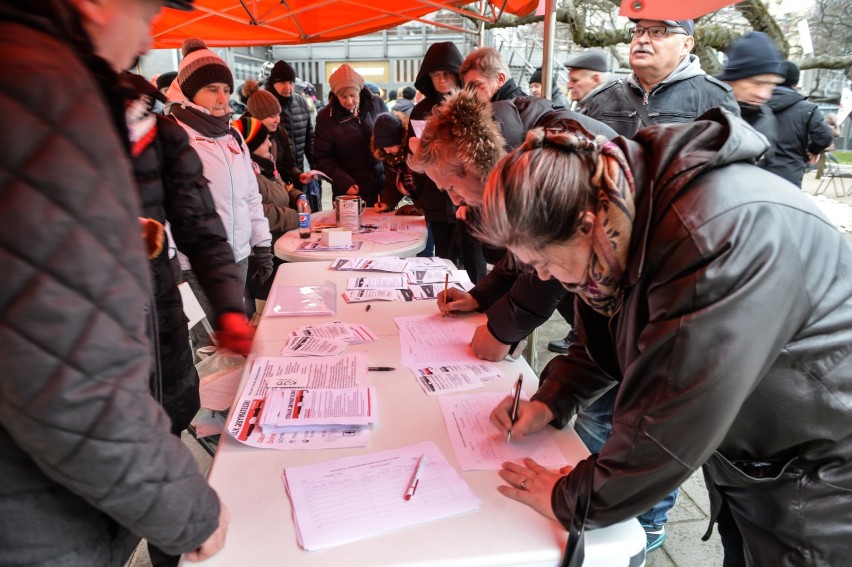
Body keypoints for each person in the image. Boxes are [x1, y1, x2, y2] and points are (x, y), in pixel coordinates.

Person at [479, 109, 852, 567]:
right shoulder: (624, 215)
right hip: (760, 450)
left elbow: (668, 418)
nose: (542, 275)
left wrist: (570, 497)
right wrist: (554, 398)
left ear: (584, 224)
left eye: (543, 261)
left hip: (821, 471)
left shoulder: (708, 242)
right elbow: (612, 328)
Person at [0, 0, 229, 564]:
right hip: (34, 513)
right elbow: (68, 376)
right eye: (147, 12)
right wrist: (186, 509)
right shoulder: (43, 89)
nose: (148, 39)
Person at [164, 38, 273, 324]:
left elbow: (250, 196)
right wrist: (171, 258)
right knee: (210, 350)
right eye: (212, 90)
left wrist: (261, 245)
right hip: (195, 266)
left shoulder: (232, 136)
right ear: (189, 92)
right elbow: (160, 206)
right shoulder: (173, 136)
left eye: (226, 90)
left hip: (238, 257)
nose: (222, 99)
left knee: (236, 344)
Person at [583, 19, 739, 138]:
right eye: (638, 31)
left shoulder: (714, 97)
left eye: (657, 32)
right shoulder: (603, 97)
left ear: (685, 45)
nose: (642, 39)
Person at [232, 116, 304, 314]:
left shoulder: (266, 167)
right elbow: (259, 211)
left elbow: (280, 193)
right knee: (268, 312)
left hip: (281, 245)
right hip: (262, 257)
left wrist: (297, 196)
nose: (269, 143)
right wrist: (294, 216)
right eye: (264, 140)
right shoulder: (247, 174)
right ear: (251, 146)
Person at [406, 41, 465, 263]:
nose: (441, 80)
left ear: (457, 74)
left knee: (472, 259)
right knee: (444, 257)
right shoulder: (421, 110)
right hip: (435, 196)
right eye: (435, 74)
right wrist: (417, 193)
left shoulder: (472, 104)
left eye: (447, 74)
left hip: (468, 195)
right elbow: (409, 152)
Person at [313, 63, 388, 206]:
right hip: (349, 191)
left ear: (360, 91)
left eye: (353, 95)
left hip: (381, 186)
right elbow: (322, 158)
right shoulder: (326, 117)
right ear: (335, 95)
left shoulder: (377, 104)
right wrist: (344, 181)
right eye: (343, 96)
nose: (349, 101)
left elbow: (390, 138)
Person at [716, 31, 784, 169]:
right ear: (731, 79)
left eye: (772, 85)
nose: (765, 95)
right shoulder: (699, 109)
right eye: (757, 83)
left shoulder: (766, 117)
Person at [767, 61, 834, 187]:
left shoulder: (756, 103)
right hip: (789, 177)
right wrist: (814, 150)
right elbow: (824, 136)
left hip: (755, 173)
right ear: (796, 83)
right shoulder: (808, 109)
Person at [244, 80, 313, 189]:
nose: (277, 120)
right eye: (272, 116)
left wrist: (298, 175)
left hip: (281, 191)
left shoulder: (280, 132)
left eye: (278, 114)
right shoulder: (244, 137)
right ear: (257, 117)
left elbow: (289, 165)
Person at [264, 59, 314, 172]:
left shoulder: (301, 102)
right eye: (282, 83)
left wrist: (315, 168)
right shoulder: (263, 104)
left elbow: (309, 139)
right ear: (273, 83)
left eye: (291, 83)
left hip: (299, 172)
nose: (287, 88)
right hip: (274, 175)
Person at [371, 112, 420, 215]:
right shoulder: (388, 157)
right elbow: (392, 184)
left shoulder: (415, 152)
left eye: (391, 145)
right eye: (383, 146)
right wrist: (386, 203)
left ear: (402, 140)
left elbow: (430, 185)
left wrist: (419, 206)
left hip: (435, 208)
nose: (387, 150)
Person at [461, 46, 526, 103]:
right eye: (468, 88)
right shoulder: (521, 105)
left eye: (477, 85)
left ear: (500, 79)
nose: (471, 94)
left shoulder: (507, 110)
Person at [816, 112, 842, 179]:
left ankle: (820, 174)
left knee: (822, 160)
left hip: (823, 147)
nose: (836, 121)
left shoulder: (824, 125)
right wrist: (836, 124)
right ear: (830, 119)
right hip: (824, 147)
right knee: (822, 159)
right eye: (835, 119)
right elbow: (838, 134)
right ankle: (820, 175)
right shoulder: (829, 127)